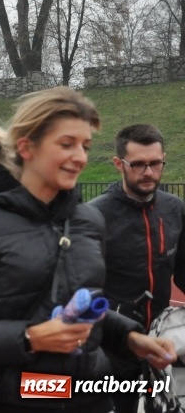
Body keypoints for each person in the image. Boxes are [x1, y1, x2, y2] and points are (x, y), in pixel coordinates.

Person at [0, 87, 175, 412]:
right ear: (27, 147)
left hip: (90, 395)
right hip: (19, 398)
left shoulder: (88, 220)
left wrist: (128, 336)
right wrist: (31, 337)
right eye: (66, 144)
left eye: (85, 146)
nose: (81, 157)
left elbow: (76, 306)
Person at [88, 124, 185, 413]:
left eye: (156, 164)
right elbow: (79, 290)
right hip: (112, 348)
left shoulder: (175, 208)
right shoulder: (94, 215)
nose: (148, 172)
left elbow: (182, 272)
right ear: (119, 164)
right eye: (139, 164)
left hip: (161, 344)